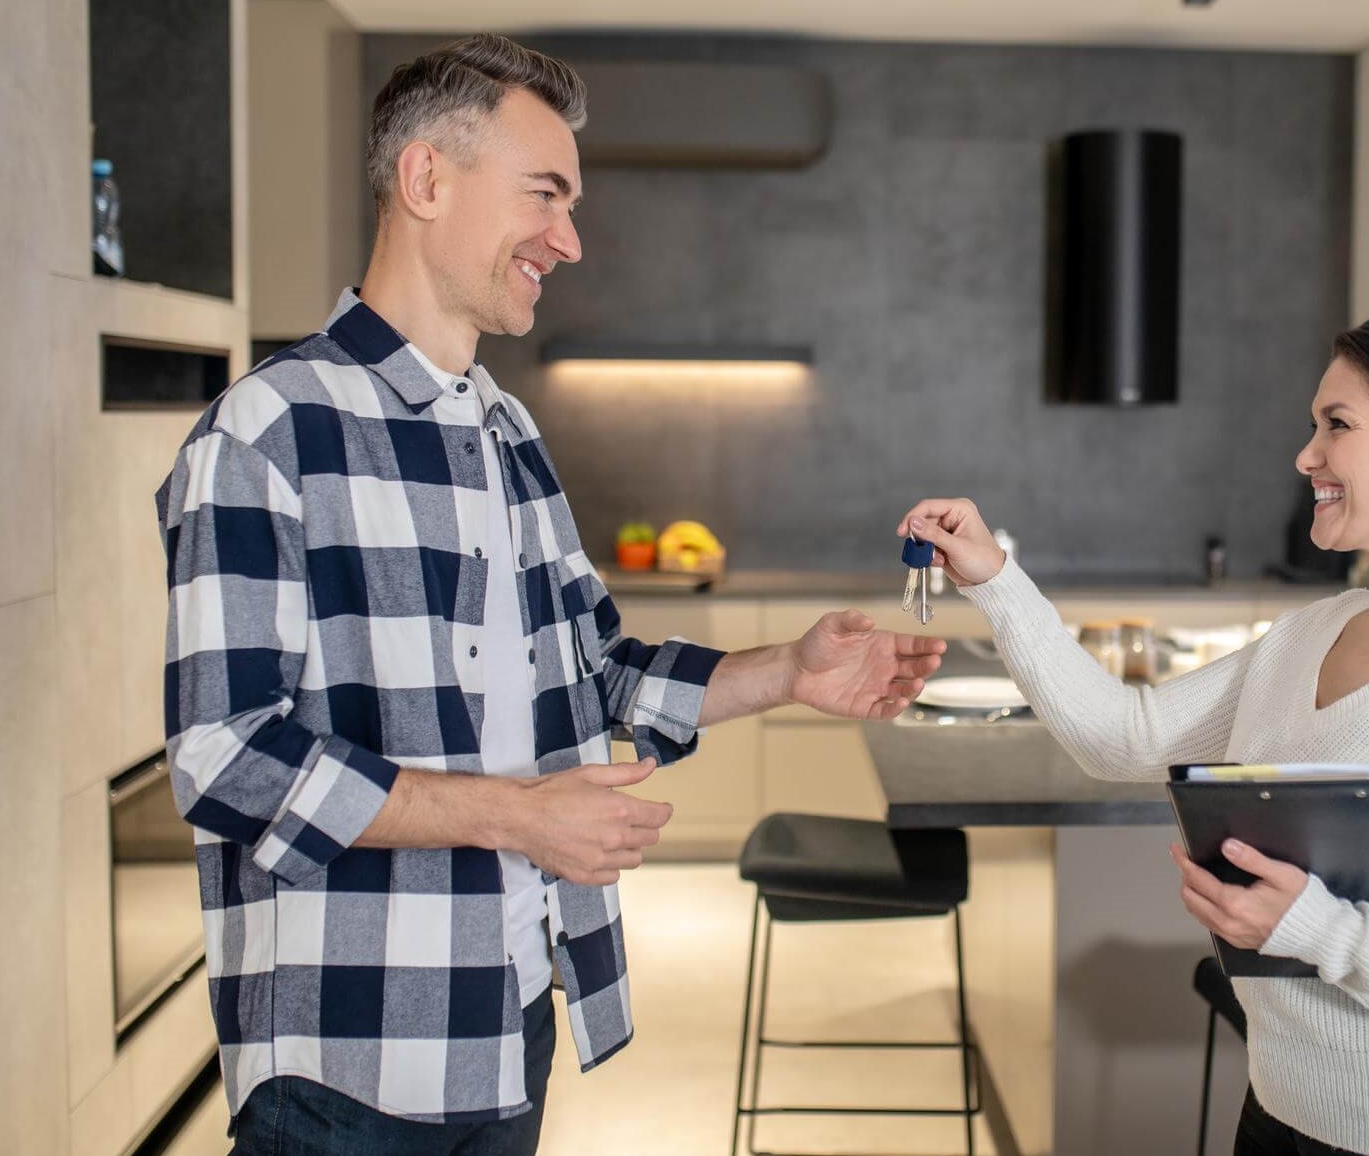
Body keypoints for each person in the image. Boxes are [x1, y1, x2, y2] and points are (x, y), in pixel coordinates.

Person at [156, 33, 944, 1155]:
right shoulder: (268, 430)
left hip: (511, 1016)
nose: (569, 240)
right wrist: (522, 815)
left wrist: (788, 672)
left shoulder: (503, 430)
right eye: (545, 194)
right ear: (426, 179)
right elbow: (224, 757)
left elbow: (593, 670)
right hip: (348, 1065)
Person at [896, 308, 1369, 1156]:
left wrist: (1319, 931)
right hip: (1279, 1118)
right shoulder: (1312, 632)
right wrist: (995, 579)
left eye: (1336, 426)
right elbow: (1122, 736)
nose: (1307, 456)